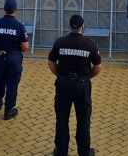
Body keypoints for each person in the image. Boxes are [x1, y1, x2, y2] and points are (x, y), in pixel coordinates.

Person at [48, 15, 102, 156]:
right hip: (82, 85)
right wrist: (86, 77)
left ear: (69, 27)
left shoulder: (60, 43)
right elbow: (98, 67)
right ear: (82, 28)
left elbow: (51, 63)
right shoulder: (90, 45)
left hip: (63, 83)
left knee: (61, 118)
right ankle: (84, 152)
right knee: (83, 120)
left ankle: (61, 151)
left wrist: (60, 76)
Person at [0, 0, 29, 120]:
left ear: (4, 9)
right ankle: (9, 110)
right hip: (13, 58)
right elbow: (25, 47)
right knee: (12, 83)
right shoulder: (20, 26)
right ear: (16, 10)